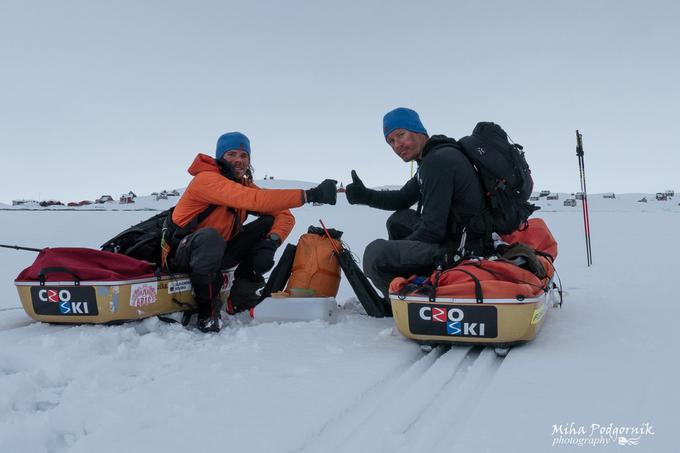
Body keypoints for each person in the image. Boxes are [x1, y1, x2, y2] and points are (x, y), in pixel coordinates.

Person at [166, 131, 337, 332]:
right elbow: (252, 200)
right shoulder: (206, 180)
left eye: (244, 155)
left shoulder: (243, 185)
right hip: (183, 254)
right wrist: (310, 195)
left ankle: (241, 298)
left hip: (217, 253)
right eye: (232, 154)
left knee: (267, 221)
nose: (239, 160)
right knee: (210, 236)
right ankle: (207, 313)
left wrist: (272, 241)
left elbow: (284, 214)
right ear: (220, 157)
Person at [345, 108, 490, 315]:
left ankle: (410, 305)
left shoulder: (437, 162)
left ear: (418, 130)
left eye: (401, 135)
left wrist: (395, 251)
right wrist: (365, 196)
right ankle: (415, 281)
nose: (397, 145)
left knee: (374, 255)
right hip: (457, 236)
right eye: (391, 141)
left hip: (461, 249)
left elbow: (432, 231)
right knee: (399, 219)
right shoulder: (433, 158)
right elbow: (403, 198)